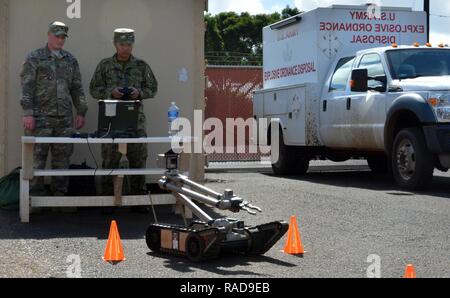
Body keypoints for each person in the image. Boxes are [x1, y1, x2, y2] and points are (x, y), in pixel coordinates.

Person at [20, 21, 88, 196]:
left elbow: (76, 88)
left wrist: (81, 111)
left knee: (62, 159)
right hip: (40, 118)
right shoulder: (35, 58)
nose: (60, 40)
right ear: (49, 35)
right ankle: (34, 200)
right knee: (37, 160)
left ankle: (60, 198)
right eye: (57, 36)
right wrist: (28, 113)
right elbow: (26, 86)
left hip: (64, 119)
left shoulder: (70, 60)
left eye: (63, 37)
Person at [89, 28, 158, 195]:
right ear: (115, 44)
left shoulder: (141, 66)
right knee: (109, 160)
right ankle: (107, 198)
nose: (125, 48)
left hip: (135, 121)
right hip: (112, 121)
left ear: (133, 44)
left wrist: (139, 93)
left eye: (129, 44)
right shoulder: (105, 65)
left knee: (139, 159)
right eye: (122, 44)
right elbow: (93, 89)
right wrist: (110, 93)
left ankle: (139, 198)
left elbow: (153, 88)